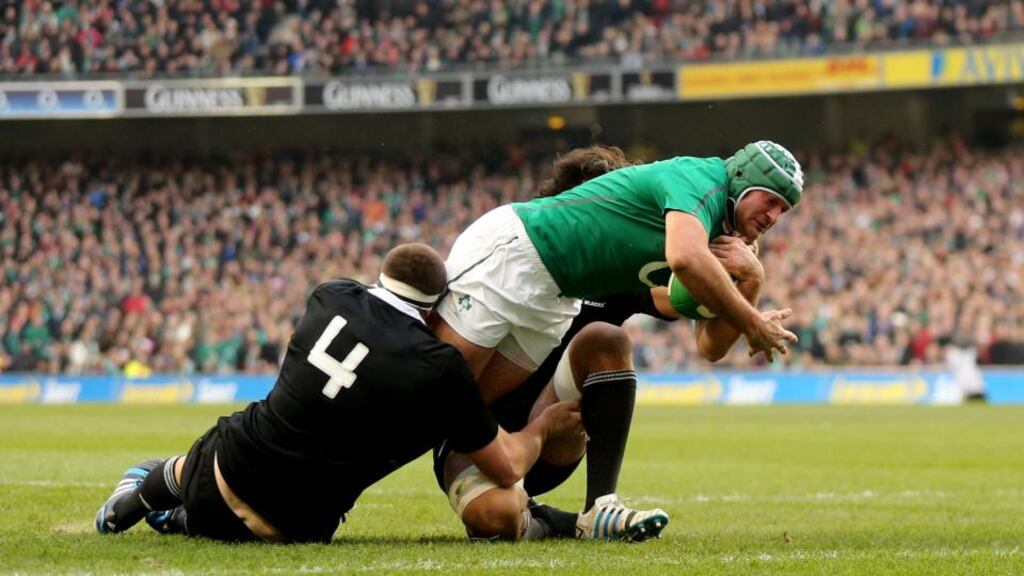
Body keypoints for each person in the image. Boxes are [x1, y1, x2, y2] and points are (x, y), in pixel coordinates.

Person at [94, 243, 582, 543]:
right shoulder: (440, 366)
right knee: (248, 496)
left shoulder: (329, 295)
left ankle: (134, 501)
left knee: (209, 454)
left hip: (221, 472)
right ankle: (170, 512)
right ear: (436, 311)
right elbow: (506, 467)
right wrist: (543, 427)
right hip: (292, 528)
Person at [433, 145, 787, 541]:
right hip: (481, 437)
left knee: (606, 337)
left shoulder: (620, 277)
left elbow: (708, 337)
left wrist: (750, 283)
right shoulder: (524, 263)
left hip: (553, 435)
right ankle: (549, 521)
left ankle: (600, 507)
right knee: (497, 518)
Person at [433, 140, 803, 409]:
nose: (773, 217)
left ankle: (531, 503)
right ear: (741, 178)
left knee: (466, 403)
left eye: (782, 210)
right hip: (521, 252)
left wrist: (753, 280)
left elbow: (710, 346)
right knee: (438, 387)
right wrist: (753, 322)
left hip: (558, 294)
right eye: (769, 200)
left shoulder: (723, 239)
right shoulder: (700, 178)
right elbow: (685, 258)